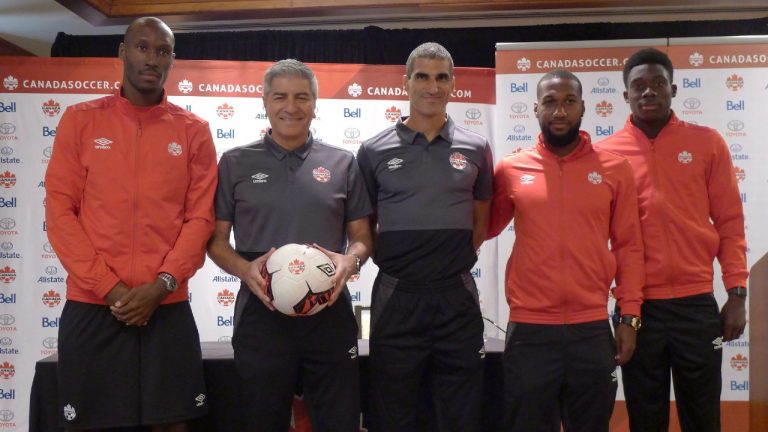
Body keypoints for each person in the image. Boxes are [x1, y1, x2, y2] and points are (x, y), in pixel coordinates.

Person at [45, 17, 216, 431]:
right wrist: (111, 289)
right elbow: (59, 214)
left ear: (173, 61)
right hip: (93, 306)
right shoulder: (80, 120)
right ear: (122, 53)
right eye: (142, 47)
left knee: (173, 423)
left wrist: (161, 286)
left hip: (167, 307)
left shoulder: (194, 131)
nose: (152, 58)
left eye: (163, 51)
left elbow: (200, 219)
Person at [206, 59, 373, 432]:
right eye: (280, 96)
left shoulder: (343, 162)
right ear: (264, 102)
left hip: (328, 312)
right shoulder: (235, 162)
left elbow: (362, 238)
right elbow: (216, 243)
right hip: (261, 313)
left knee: (340, 422)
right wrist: (245, 269)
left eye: (302, 97)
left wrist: (350, 261)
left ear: (315, 103)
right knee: (261, 421)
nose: (291, 107)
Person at [596, 47, 748, 432]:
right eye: (638, 86)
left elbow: (730, 222)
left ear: (674, 90)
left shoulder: (707, 143)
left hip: (696, 305)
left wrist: (736, 292)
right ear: (625, 95)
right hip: (638, 309)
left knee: (703, 417)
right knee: (646, 419)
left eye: (658, 83)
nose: (649, 92)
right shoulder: (605, 155)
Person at [487, 70, 645, 432]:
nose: (560, 111)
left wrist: (630, 316)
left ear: (583, 108)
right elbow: (485, 228)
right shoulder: (511, 169)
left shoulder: (615, 169)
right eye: (551, 102)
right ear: (536, 109)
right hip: (529, 330)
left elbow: (629, 247)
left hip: (590, 329)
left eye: (569, 102)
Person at [356, 42, 493, 432]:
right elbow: (364, 225)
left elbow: (480, 221)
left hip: (456, 296)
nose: (432, 86)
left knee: (461, 411)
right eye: (422, 76)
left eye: (441, 77)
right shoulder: (372, 150)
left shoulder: (477, 147)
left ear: (453, 84)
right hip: (398, 295)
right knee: (392, 412)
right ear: (406, 83)